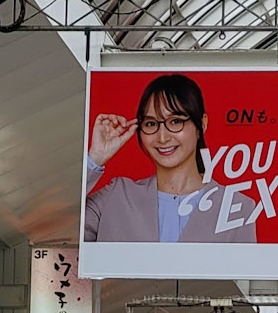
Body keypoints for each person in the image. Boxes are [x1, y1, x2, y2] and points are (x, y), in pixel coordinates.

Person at [83, 74, 256, 244]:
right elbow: (66, 229)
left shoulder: (237, 208)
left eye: (175, 121)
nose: (162, 137)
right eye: (151, 124)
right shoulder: (116, 196)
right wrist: (96, 157)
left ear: (201, 124)